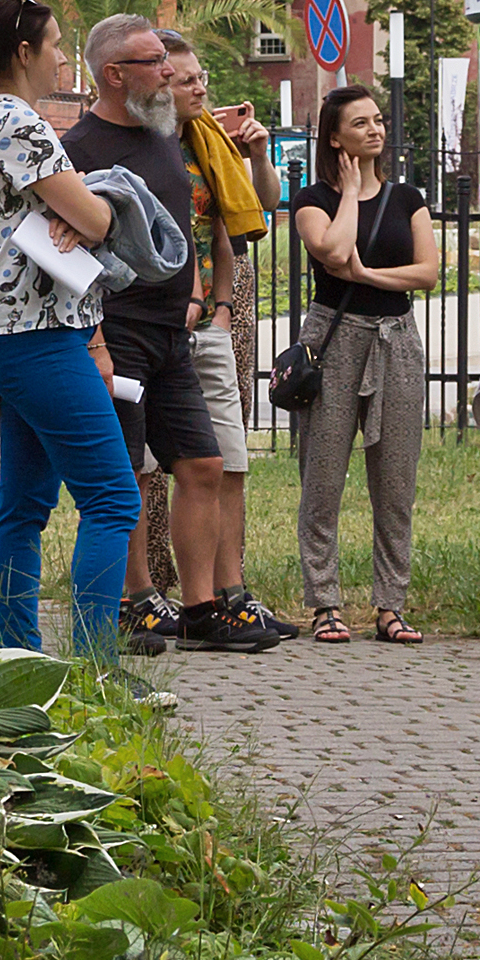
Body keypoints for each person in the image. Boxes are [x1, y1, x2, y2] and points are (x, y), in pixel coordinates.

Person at [65, 16, 283, 652]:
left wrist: (198, 296)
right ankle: (132, 601)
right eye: (154, 62)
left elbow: (190, 228)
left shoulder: (167, 137)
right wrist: (96, 339)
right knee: (125, 473)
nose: (168, 72)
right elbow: (71, 255)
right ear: (114, 75)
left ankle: (201, 608)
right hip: (117, 330)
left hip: (171, 335)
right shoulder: (80, 149)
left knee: (203, 462)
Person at [0, 0, 145, 657]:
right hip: (39, 336)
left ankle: (18, 656)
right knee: (113, 500)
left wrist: (81, 201)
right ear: (23, 52)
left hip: (16, 335)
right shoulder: (20, 121)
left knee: (23, 506)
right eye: (56, 43)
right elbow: (96, 222)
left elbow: (78, 211)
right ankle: (96, 664)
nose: (64, 55)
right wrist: (91, 205)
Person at [290, 82, 440, 644]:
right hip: (335, 341)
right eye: (360, 123)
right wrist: (351, 192)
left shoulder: (408, 199)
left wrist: (371, 276)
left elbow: (427, 273)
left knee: (396, 478)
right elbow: (331, 252)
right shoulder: (312, 199)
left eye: (378, 120)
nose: (376, 129)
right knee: (323, 476)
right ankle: (324, 602)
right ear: (335, 136)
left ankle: (390, 604)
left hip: (397, 338)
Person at [160, 31, 288, 638]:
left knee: (226, 458)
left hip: (207, 319)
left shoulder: (210, 143)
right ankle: (153, 593)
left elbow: (245, 219)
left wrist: (219, 307)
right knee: (146, 466)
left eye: (202, 77)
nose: (201, 89)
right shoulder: (146, 147)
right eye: (188, 80)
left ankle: (230, 591)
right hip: (152, 322)